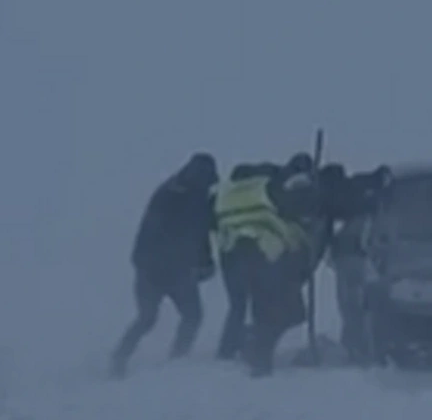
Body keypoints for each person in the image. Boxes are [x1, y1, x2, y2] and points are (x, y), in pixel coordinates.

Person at [111, 152, 219, 378]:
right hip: (162, 268)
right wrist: (202, 262)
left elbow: (200, 234)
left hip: (161, 267)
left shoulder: (176, 191)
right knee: (158, 317)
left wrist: (203, 262)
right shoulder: (177, 195)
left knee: (169, 316)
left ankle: (172, 360)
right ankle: (127, 359)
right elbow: (195, 233)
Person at [213, 161, 318, 376]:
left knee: (241, 307)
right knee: (279, 311)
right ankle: (259, 357)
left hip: (230, 254)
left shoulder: (226, 193)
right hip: (264, 253)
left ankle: (233, 349)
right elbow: (293, 211)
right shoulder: (268, 187)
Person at [327, 166, 390, 363]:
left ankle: (352, 345)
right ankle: (359, 349)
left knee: (349, 304)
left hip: (343, 256)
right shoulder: (374, 201)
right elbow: (369, 235)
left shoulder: (352, 195)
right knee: (359, 304)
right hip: (358, 256)